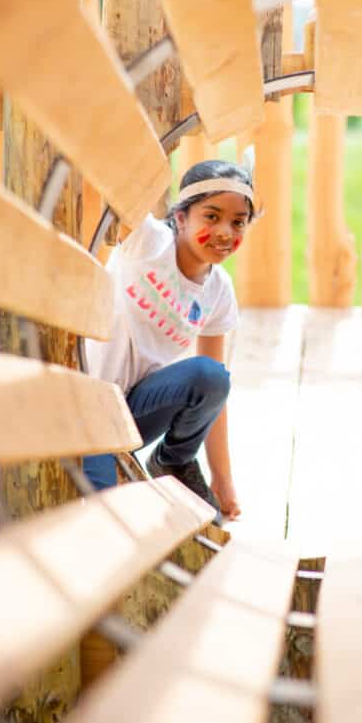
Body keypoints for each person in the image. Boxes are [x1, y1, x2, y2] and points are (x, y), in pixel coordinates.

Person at [83, 159, 256, 523]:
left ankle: (172, 461)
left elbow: (214, 397)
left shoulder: (219, 292)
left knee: (211, 377)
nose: (226, 232)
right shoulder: (148, 242)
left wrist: (222, 480)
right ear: (180, 217)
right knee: (103, 509)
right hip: (89, 407)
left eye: (238, 222)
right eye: (211, 216)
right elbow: (107, 178)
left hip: (133, 413)